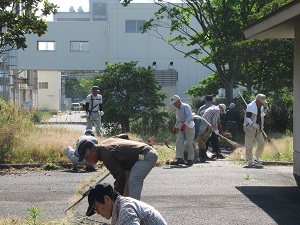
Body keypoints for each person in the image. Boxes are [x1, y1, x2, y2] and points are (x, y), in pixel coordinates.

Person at [77, 134, 158, 200]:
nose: (86, 160)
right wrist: (127, 151)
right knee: (126, 183)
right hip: (139, 157)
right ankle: (125, 209)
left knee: (133, 180)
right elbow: (125, 136)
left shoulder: (106, 156)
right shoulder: (106, 142)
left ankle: (136, 211)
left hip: (146, 156)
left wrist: (114, 196)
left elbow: (120, 177)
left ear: (93, 150)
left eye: (86, 157)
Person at [85, 183, 168, 225]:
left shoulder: (125, 209)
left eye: (96, 208)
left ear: (107, 199)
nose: (98, 212)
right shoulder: (120, 208)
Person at [169, 95, 195, 166]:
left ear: (178, 101)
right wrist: (175, 127)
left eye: (175, 103)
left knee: (189, 143)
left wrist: (185, 124)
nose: (174, 105)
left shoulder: (186, 106)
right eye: (173, 104)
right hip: (181, 126)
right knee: (179, 142)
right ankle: (180, 158)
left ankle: (190, 159)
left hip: (189, 127)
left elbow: (189, 116)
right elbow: (178, 120)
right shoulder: (178, 109)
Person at [244, 94, 267, 167]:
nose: (262, 103)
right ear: (257, 100)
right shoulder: (251, 106)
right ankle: (250, 160)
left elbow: (261, 117)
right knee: (249, 145)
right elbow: (247, 117)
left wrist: (261, 126)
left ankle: (255, 157)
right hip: (250, 128)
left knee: (262, 143)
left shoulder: (261, 106)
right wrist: (252, 124)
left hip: (259, 128)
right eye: (261, 102)